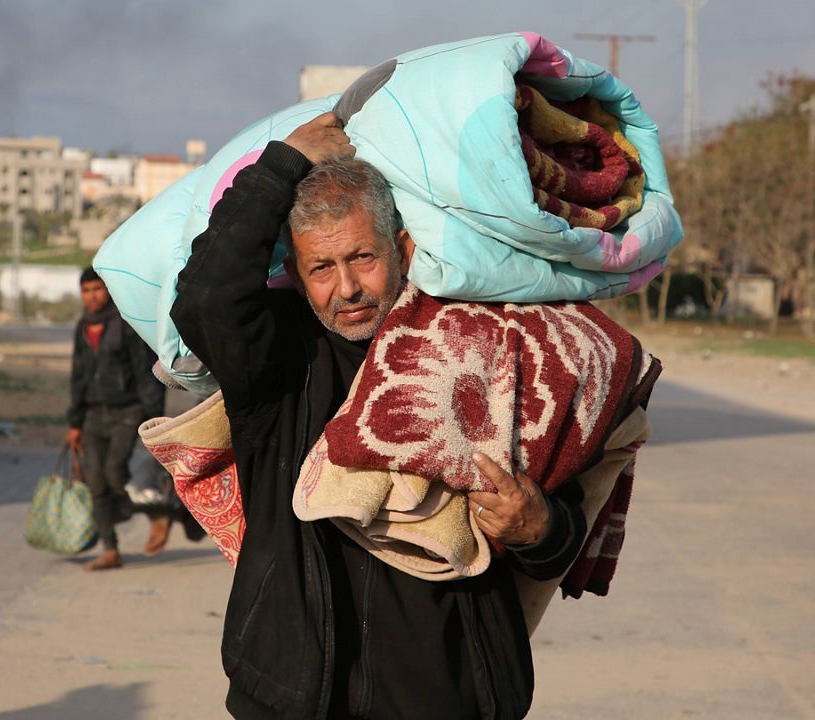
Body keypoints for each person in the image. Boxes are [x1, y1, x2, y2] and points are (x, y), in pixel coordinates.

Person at [171, 113, 583, 719]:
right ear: (296, 275)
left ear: (404, 250)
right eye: (321, 268)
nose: (347, 288)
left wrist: (538, 525)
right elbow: (206, 297)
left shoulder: (487, 349)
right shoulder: (279, 363)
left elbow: (562, 527)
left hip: (453, 696)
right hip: (297, 699)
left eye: (362, 258)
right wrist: (284, 162)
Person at [66, 268, 168, 570]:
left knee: (114, 471)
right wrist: (74, 422)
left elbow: (144, 371)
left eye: (97, 289)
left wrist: (154, 418)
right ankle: (110, 549)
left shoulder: (124, 325)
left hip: (127, 411)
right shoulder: (83, 327)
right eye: (86, 290)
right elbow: (78, 377)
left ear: (107, 290)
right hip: (93, 415)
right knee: (95, 480)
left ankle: (155, 510)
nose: (92, 296)